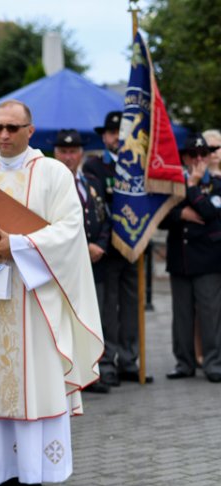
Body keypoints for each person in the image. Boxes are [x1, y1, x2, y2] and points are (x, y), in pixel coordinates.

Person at [0, 100, 103, 486]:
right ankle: (1, 474)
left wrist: (15, 245)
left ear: (30, 131)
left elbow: (70, 230)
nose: (3, 135)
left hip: (35, 300)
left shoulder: (52, 173)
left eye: (13, 128)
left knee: (35, 384)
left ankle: (34, 474)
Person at [84, 110, 150, 387]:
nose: (116, 139)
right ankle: (108, 361)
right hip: (107, 249)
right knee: (108, 309)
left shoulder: (137, 166)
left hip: (134, 246)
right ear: (104, 137)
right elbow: (101, 205)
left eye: (121, 134)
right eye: (112, 133)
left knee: (133, 306)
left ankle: (130, 360)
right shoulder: (95, 167)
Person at [159, 133, 221, 383]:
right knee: (182, 315)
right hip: (180, 258)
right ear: (184, 157)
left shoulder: (216, 184)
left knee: (210, 313)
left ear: (208, 157)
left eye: (202, 155)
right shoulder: (173, 184)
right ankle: (184, 362)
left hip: (208, 260)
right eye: (192, 155)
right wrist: (180, 214)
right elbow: (160, 217)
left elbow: (210, 213)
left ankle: (213, 362)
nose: (198, 159)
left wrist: (193, 186)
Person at [53, 130, 112, 393]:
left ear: (81, 154)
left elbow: (104, 215)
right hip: (64, 265)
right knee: (68, 318)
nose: (68, 157)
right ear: (56, 153)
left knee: (93, 315)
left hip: (93, 261)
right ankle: (69, 372)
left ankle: (92, 371)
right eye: (63, 152)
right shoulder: (51, 184)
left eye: (73, 152)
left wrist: (100, 244)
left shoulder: (91, 181)